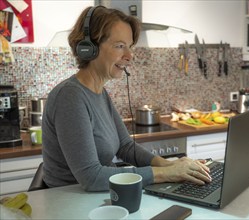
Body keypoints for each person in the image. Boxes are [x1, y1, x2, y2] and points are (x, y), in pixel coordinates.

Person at [42, 6, 211, 192]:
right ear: (89, 48)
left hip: (96, 197)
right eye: (119, 46)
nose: (130, 56)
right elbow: (91, 177)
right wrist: (167, 173)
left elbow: (126, 146)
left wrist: (169, 165)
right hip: (68, 202)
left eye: (130, 47)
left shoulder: (99, 92)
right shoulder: (70, 97)